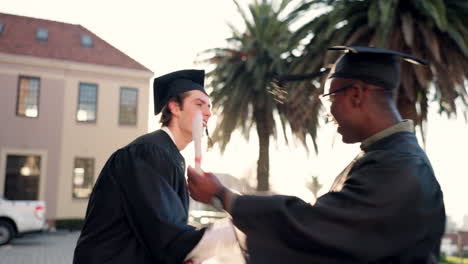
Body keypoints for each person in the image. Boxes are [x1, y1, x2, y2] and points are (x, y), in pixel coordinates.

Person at [187, 46, 446, 263]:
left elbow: (314, 229)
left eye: (330, 98)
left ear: (356, 94)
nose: (328, 113)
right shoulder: (386, 156)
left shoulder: (400, 167)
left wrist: (223, 196)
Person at [73, 69, 237, 264]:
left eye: (209, 107)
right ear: (175, 107)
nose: (209, 113)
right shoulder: (148, 152)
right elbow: (168, 237)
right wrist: (239, 231)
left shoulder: (167, 155)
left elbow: (156, 237)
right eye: (199, 104)